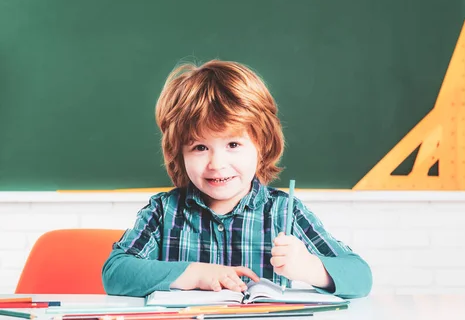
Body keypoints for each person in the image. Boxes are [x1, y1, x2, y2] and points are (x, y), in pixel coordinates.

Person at [102, 60, 372, 298]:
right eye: (199, 147)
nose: (217, 164)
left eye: (233, 144)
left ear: (262, 145)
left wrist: (311, 268)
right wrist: (194, 274)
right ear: (179, 153)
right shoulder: (164, 211)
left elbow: (360, 277)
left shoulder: (283, 212)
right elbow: (115, 273)